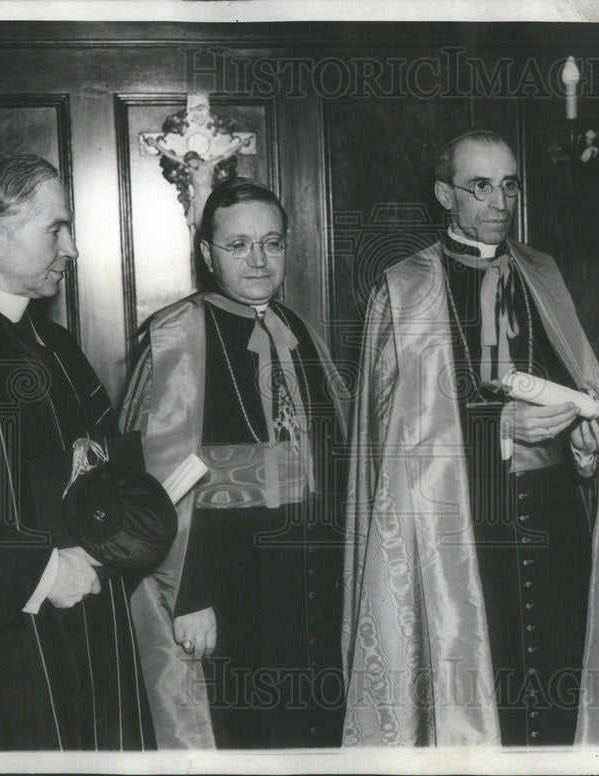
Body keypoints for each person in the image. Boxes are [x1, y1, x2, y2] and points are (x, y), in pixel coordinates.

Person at [342, 129, 599, 746]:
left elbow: (578, 386)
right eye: (480, 186)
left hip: (555, 522)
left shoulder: (543, 273)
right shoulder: (402, 289)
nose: (500, 202)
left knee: (561, 684)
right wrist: (496, 429)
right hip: (458, 530)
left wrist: (585, 444)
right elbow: (392, 439)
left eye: (509, 184)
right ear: (445, 195)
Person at [0, 153, 154, 750]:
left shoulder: (55, 344)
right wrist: (43, 568)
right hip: (6, 662)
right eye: (56, 228)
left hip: (91, 639)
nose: (72, 248)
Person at [121, 179, 348, 748]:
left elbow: (334, 460)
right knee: (242, 734)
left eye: (271, 243)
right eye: (238, 245)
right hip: (226, 581)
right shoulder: (176, 335)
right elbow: (154, 484)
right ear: (206, 255)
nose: (257, 260)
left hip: (308, 576)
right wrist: (192, 595)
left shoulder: (301, 331)